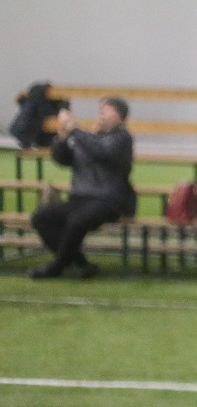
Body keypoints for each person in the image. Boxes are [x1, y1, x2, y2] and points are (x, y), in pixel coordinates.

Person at [28, 96, 137, 280]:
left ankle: (57, 267)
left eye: (107, 110)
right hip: (81, 198)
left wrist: (74, 130)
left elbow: (103, 151)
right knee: (42, 218)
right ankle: (80, 263)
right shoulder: (89, 137)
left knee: (77, 221)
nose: (101, 113)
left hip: (109, 200)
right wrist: (62, 139)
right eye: (101, 110)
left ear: (120, 116)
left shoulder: (122, 138)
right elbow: (63, 159)